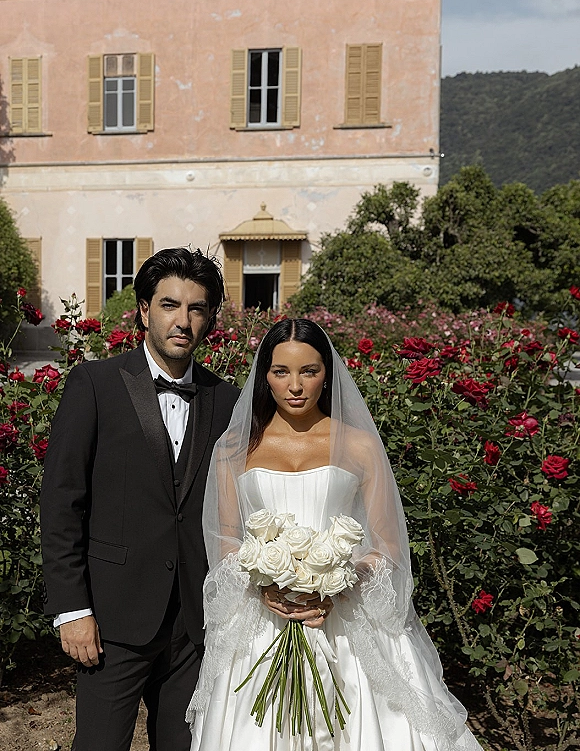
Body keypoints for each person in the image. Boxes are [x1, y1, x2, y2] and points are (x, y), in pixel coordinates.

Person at [187, 318, 484, 751]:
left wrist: (339, 582)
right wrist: (263, 582)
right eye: (281, 371)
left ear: (327, 374)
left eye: (308, 371)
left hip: (345, 618)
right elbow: (225, 538)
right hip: (262, 619)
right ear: (264, 376)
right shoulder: (233, 449)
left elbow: (387, 543)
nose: (295, 386)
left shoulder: (359, 445)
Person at [40, 247, 239, 751]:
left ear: (209, 319)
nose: (183, 321)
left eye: (196, 309)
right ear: (145, 311)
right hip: (111, 621)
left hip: (194, 627)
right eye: (170, 305)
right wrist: (72, 610)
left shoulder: (227, 400)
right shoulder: (95, 384)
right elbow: (62, 502)